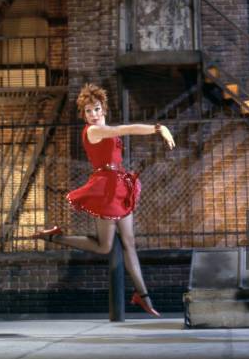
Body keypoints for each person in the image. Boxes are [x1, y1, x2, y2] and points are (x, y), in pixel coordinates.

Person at [31, 83, 175, 317]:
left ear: (103, 109)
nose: (93, 115)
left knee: (129, 244)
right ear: (84, 115)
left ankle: (144, 296)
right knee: (105, 246)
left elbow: (117, 138)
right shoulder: (93, 131)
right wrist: (158, 128)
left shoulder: (104, 127)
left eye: (96, 109)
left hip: (119, 185)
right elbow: (125, 129)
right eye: (88, 111)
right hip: (105, 188)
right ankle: (55, 236)